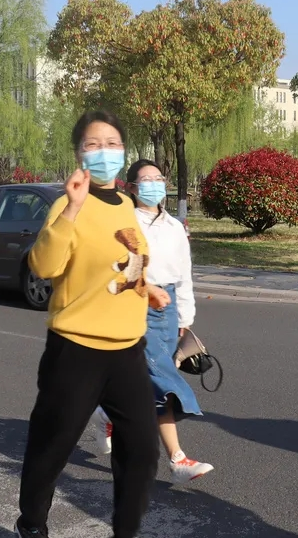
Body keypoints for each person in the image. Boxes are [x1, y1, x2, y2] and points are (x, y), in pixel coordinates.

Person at [16, 111, 167, 538]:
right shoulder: (67, 204)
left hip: (127, 349)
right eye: (94, 143)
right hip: (75, 348)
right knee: (52, 446)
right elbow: (43, 266)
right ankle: (31, 525)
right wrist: (73, 209)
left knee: (141, 451)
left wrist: (147, 287)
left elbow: (127, 263)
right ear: (79, 153)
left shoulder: (126, 204)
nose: (105, 151)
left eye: (113, 142)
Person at [91, 159, 214, 484]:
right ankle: (177, 459)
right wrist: (146, 290)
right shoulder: (125, 223)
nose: (154, 184)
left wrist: (184, 317)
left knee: (148, 383)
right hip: (134, 305)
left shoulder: (174, 227)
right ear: (131, 187)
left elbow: (184, 275)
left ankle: (107, 413)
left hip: (168, 308)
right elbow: (118, 270)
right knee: (162, 382)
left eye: (158, 178)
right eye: (146, 180)